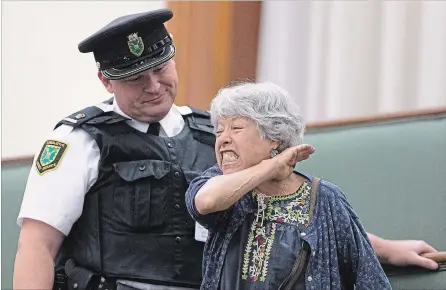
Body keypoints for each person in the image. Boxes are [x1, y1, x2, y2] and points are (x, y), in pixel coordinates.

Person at [13, 7, 438, 290]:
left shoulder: (212, 133)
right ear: (107, 82)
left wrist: (381, 247)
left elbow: (278, 213)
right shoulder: (78, 140)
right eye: (135, 79)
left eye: (160, 70)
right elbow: (37, 245)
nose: (153, 86)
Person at [184, 81, 434, 289]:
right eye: (219, 131)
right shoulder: (217, 185)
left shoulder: (325, 198)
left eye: (236, 128)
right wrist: (272, 165)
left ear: (275, 138)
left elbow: (369, 279)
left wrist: (388, 250)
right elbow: (205, 202)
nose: (223, 139)